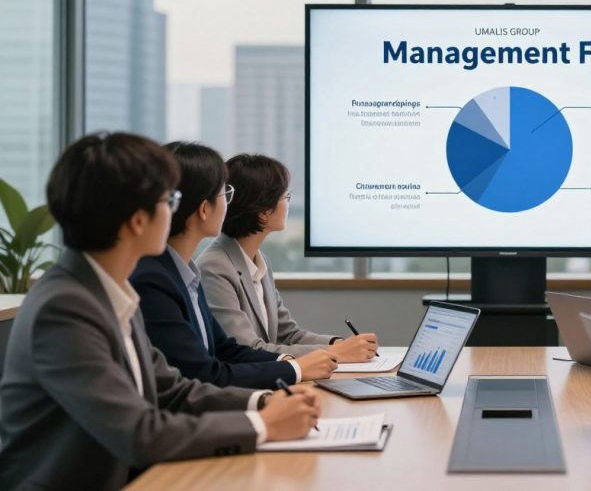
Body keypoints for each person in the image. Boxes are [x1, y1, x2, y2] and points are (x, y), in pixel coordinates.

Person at [0, 133, 319, 491]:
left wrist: (265, 401)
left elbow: (174, 390)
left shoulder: (109, 290)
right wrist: (265, 425)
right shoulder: (64, 308)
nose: (175, 210)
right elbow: (139, 433)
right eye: (170, 199)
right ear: (138, 221)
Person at [130, 142, 339, 389]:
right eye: (224, 194)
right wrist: (294, 369)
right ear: (204, 209)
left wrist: (292, 363)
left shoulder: (186, 272)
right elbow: (204, 373)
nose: (229, 203)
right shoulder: (160, 278)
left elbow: (225, 348)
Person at [199, 154, 378, 358]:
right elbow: (247, 348)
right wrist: (335, 352)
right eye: (286, 197)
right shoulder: (214, 267)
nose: (288, 203)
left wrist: (338, 343)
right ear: (264, 212)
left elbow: (288, 334)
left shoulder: (260, 261)